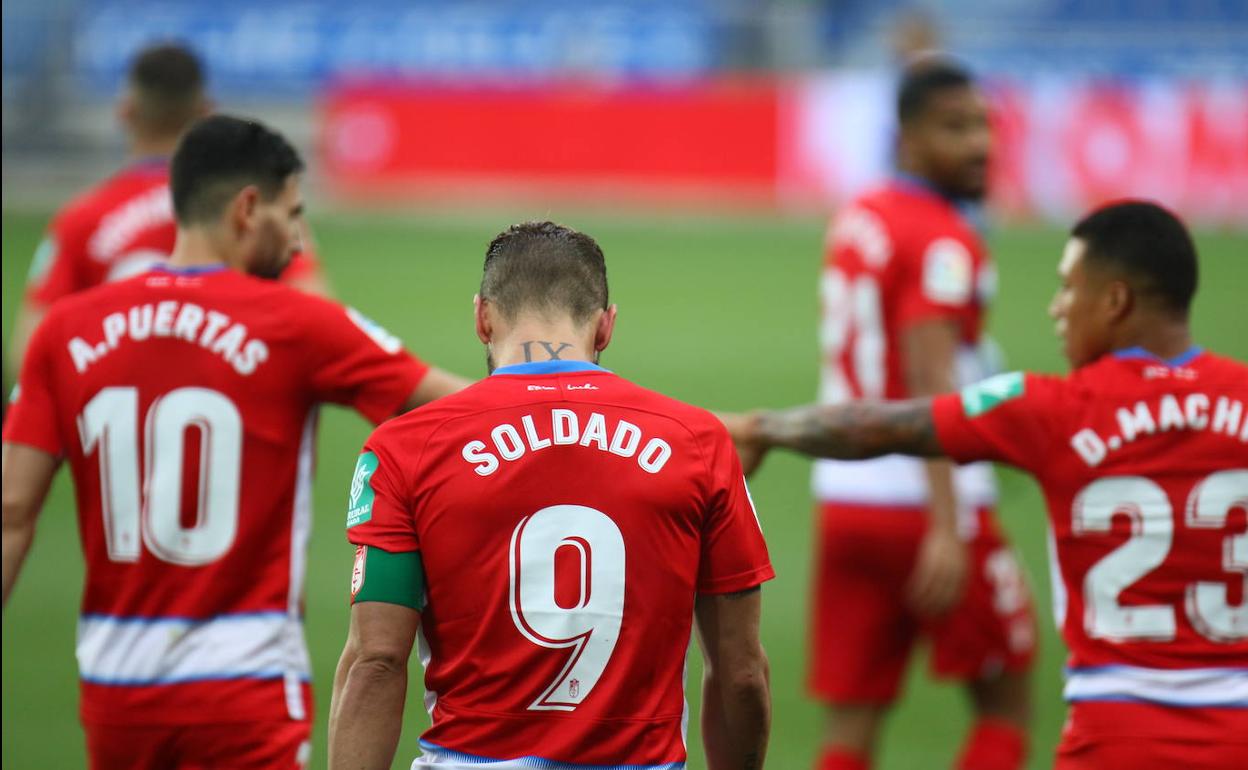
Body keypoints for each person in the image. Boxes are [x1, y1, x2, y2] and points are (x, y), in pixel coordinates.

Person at [1, 115, 469, 769]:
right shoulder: (296, 324)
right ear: (250, 208)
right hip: (243, 683)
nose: (300, 237)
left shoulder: (68, 331)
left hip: (114, 684)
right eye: (294, 212)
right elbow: (461, 407)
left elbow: (12, 514)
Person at [726, 200, 1248, 770]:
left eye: (1069, 289)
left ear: (1116, 300)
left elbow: (880, 424)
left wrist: (764, 428)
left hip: (1109, 738)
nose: (1056, 308)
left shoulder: (1053, 406)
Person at [328, 221, 774, 769]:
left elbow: (376, 660)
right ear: (606, 327)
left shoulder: (405, 447)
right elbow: (743, 673)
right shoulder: (699, 443)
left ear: (482, 318)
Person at [803, 58, 1034, 770]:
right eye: (955, 128)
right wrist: (945, 522)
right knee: (1009, 704)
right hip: (929, 502)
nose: (980, 144)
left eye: (985, 126)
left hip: (845, 499)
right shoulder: (942, 238)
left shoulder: (860, 214)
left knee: (853, 726)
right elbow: (931, 379)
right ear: (907, 138)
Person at [7, 43, 329, 374]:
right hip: (234, 409)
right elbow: (319, 320)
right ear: (207, 113)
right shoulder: (257, 209)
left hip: (114, 411)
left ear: (126, 112)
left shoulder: (81, 219)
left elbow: (28, 352)